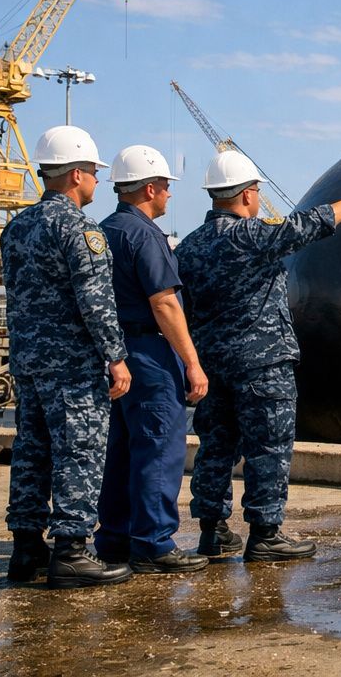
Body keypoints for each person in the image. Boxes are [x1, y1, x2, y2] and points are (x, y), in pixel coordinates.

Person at [176, 150, 341, 562]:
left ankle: (213, 531)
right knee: (268, 448)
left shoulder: (188, 248)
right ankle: (266, 532)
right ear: (248, 195)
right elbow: (308, 225)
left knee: (215, 447)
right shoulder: (252, 236)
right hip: (261, 363)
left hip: (214, 366)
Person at [0, 125, 133, 589]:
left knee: (32, 453)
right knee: (79, 453)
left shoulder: (16, 226)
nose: (97, 181)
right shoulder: (79, 228)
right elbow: (96, 300)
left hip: (29, 362)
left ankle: (25, 549)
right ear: (77, 175)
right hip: (72, 366)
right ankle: (72, 552)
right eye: (94, 173)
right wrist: (116, 356)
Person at [94, 145, 211, 574]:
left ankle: (115, 537)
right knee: (159, 448)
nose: (169, 195)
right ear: (149, 188)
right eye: (165, 187)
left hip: (115, 354)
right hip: (148, 351)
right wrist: (193, 363)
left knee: (121, 450)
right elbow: (165, 303)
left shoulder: (104, 230)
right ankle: (154, 542)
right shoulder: (145, 235)